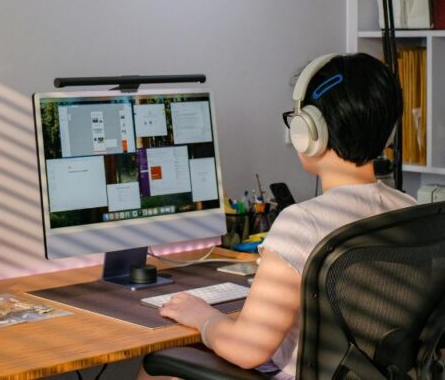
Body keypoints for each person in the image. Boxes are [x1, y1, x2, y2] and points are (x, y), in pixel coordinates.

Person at [140, 53, 416, 379]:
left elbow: (248, 350)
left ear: (308, 131)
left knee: (158, 368)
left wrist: (203, 316)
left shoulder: (303, 223)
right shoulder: (409, 210)